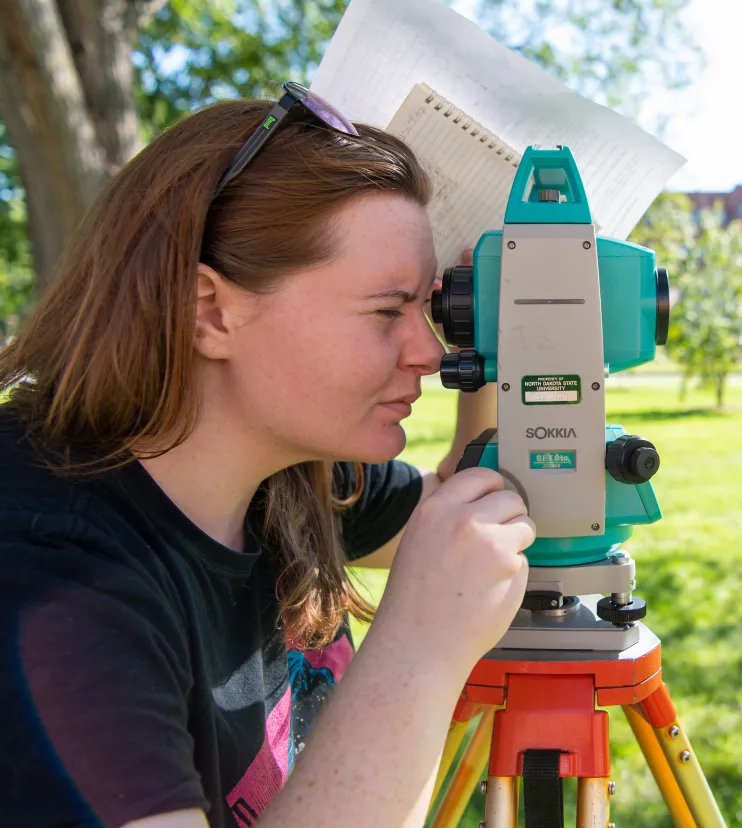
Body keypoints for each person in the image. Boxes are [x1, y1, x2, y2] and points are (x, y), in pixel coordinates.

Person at [0, 82, 534, 828]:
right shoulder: (49, 582)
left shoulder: (286, 475)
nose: (430, 352)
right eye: (388, 310)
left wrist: (503, 335)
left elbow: (461, 511)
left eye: (430, 309)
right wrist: (421, 651)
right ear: (210, 312)